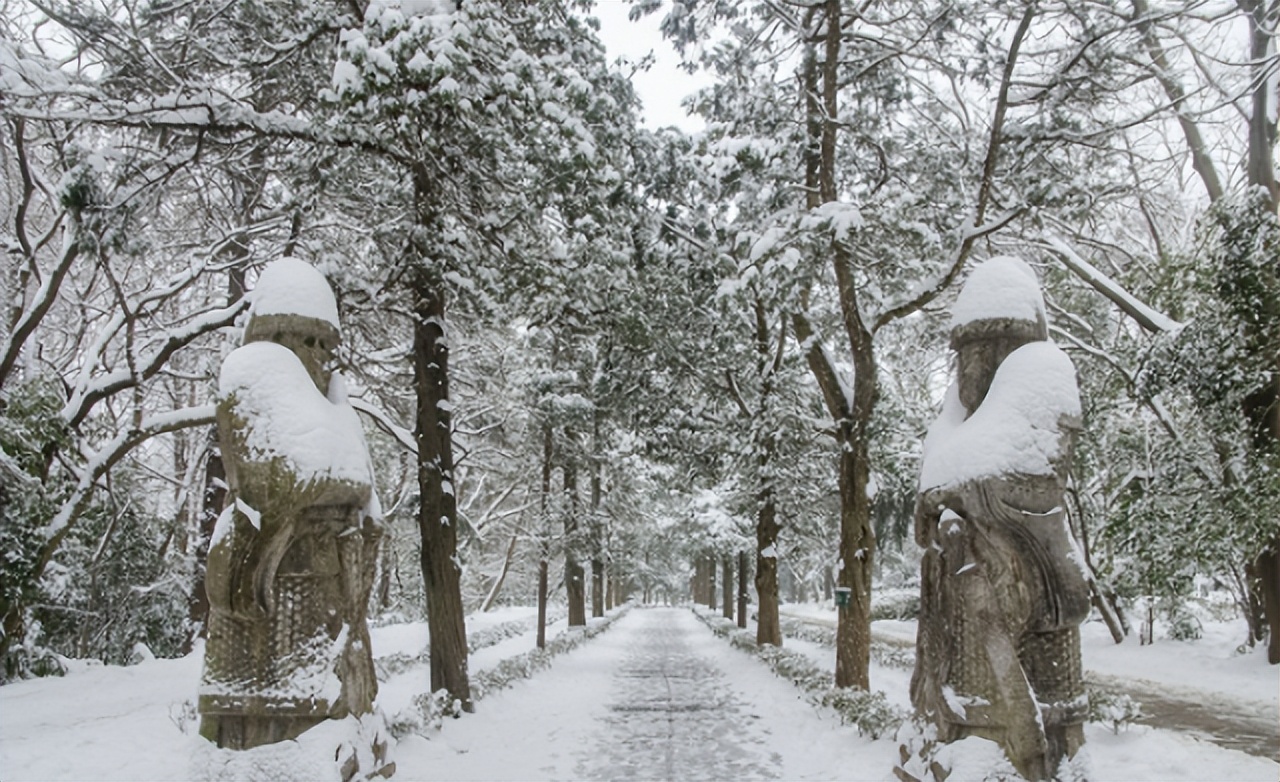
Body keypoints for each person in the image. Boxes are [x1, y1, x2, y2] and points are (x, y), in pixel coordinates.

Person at [911, 257, 1089, 780]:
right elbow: (929, 493)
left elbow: (1023, 480)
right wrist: (942, 502)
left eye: (986, 351)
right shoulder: (951, 420)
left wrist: (951, 493)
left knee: (1039, 700)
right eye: (967, 353)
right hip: (960, 597)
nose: (974, 367)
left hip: (1029, 579)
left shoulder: (1044, 378)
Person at [199, 259, 382, 750]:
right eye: (307, 340)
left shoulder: (332, 403)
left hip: (329, 590)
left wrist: (337, 482)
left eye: (327, 344)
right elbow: (282, 479)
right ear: (277, 334)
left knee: (326, 707)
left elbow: (360, 484)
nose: (319, 355)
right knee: (276, 720)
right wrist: (334, 480)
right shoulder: (252, 376)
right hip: (277, 587)